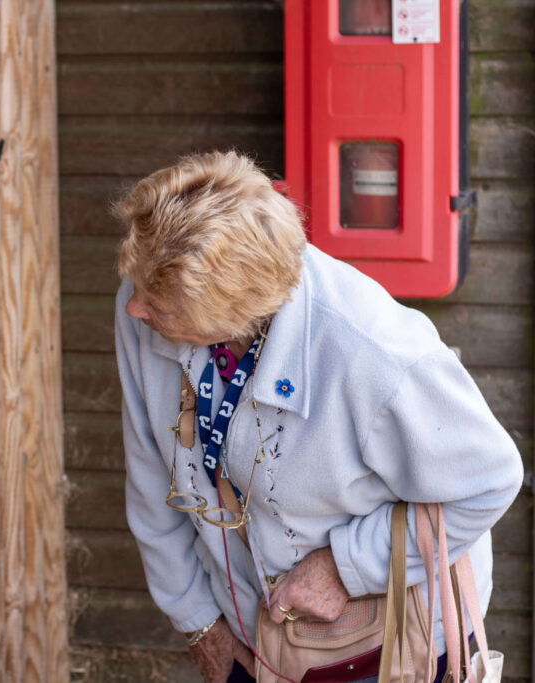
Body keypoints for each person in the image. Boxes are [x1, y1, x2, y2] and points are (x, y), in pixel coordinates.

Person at [113, 151, 523, 683]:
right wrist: (198, 624)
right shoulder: (151, 289)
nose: (134, 309)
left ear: (231, 311)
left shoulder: (374, 351)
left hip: (402, 643)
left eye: (159, 305)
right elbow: (151, 478)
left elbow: (489, 482)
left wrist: (345, 566)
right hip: (254, 636)